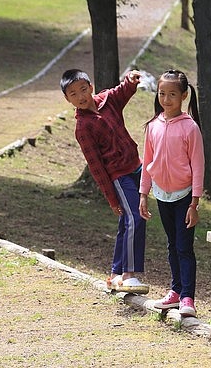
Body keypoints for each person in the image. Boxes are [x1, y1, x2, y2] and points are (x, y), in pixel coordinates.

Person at [61, 68, 149, 294]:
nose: (80, 96)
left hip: (136, 167)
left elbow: (122, 91)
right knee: (136, 218)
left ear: (91, 87)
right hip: (118, 176)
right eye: (73, 94)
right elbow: (96, 166)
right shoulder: (83, 127)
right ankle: (129, 275)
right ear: (67, 99)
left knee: (127, 222)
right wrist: (111, 198)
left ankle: (115, 275)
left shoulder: (107, 101)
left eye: (83, 89)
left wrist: (130, 80)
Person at [138, 69, 204, 317]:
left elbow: (198, 166)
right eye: (162, 94)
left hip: (185, 197)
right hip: (161, 196)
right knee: (171, 245)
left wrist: (194, 203)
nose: (166, 99)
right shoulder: (153, 126)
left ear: (184, 96)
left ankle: (188, 297)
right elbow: (147, 162)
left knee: (184, 247)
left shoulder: (190, 128)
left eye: (172, 94)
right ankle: (175, 292)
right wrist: (144, 194)